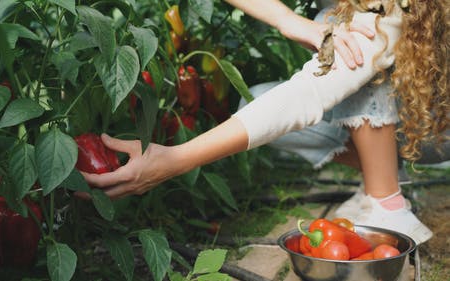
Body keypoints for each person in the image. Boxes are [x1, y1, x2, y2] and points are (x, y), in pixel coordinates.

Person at [80, 1, 448, 244]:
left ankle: (388, 205)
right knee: (258, 95)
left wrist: (174, 160)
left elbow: (308, 96)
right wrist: (288, 19)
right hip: (409, 125)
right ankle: (380, 175)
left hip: (438, 130)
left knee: (344, 32)